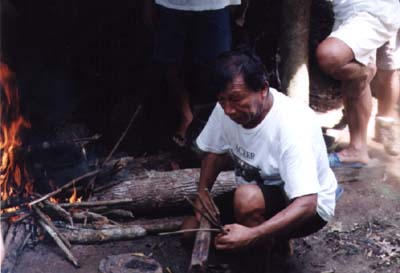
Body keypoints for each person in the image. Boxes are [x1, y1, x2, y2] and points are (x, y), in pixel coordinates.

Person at [184, 50, 338, 270]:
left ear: (263, 90)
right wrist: (202, 194)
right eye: (222, 100)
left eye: (236, 100)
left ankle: (259, 259)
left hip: (309, 210)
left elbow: (307, 203)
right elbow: (215, 154)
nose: (228, 110)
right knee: (189, 230)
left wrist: (252, 235)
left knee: (247, 199)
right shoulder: (225, 107)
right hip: (260, 194)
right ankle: (275, 243)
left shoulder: (291, 125)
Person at [145, 0, 240, 147]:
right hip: (170, 4)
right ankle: (186, 115)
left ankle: (205, 121)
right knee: (170, 61)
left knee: (217, 64)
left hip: (215, 4)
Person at [316, 1, 400, 166]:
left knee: (330, 56)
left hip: (373, 10)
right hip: (349, 10)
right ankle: (357, 149)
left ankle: (385, 122)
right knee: (355, 75)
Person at [371, 30, 400, 156]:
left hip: (389, 17)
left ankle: (385, 125)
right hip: (355, 14)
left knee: (389, 70)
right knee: (362, 69)